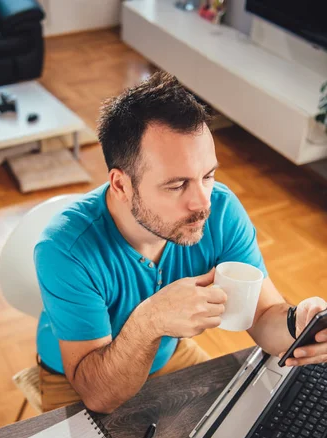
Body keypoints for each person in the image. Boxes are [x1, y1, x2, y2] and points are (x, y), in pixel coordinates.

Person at [35, 71, 327, 414]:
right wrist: (150, 321)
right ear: (120, 185)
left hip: (168, 356)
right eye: (177, 186)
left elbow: (262, 315)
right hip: (81, 377)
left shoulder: (220, 210)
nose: (202, 202)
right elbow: (99, 395)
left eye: (208, 176)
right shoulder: (64, 249)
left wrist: (300, 323)